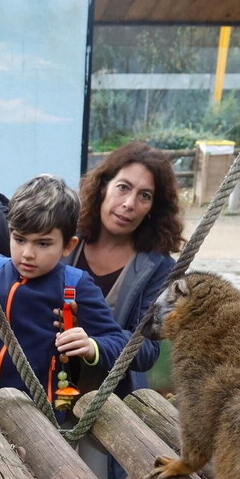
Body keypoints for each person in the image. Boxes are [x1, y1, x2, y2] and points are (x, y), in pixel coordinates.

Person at [0, 175, 129, 402]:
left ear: (68, 246)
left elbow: (117, 342)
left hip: (41, 411)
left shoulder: (75, 285)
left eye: (42, 243)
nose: (28, 253)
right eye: (19, 239)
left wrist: (90, 346)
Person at [67, 141, 185, 398]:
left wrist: (91, 333)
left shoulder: (160, 268)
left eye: (145, 196)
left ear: (153, 209)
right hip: (46, 386)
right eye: (123, 187)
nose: (129, 203)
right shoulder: (66, 241)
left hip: (115, 402)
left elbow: (146, 352)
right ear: (103, 188)